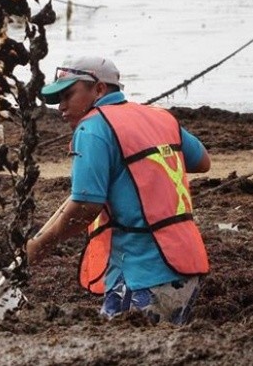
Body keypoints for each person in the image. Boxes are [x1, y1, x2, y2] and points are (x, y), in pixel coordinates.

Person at [26, 56, 211, 325]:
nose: (62, 107)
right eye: (58, 100)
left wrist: (40, 246)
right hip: (186, 264)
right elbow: (201, 161)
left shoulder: (92, 128)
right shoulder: (159, 117)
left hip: (144, 271)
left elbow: (85, 208)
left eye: (68, 95)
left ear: (99, 89)